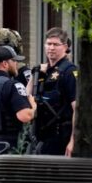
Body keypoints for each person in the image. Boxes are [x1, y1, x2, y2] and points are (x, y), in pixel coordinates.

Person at [27, 27, 77, 156]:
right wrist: (35, 74)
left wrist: (73, 141)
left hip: (61, 138)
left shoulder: (69, 71)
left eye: (56, 44)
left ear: (65, 47)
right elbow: (26, 97)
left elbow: (77, 108)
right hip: (41, 137)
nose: (51, 48)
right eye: (49, 44)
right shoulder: (44, 71)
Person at [0, 45, 36, 153]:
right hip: (7, 147)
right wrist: (34, 106)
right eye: (14, 61)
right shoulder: (12, 85)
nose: (17, 64)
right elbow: (25, 116)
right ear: (5, 64)